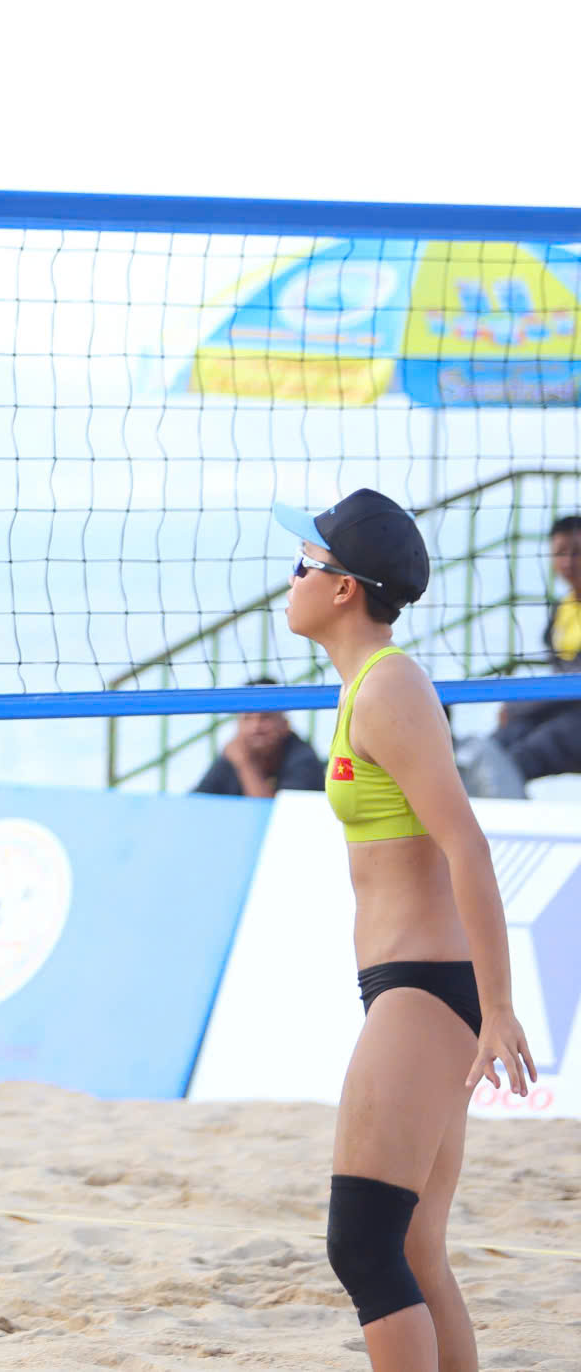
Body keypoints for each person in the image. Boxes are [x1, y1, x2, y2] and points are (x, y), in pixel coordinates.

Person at [273, 490, 534, 1371]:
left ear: (346, 587)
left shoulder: (390, 689)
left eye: (305, 561)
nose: (292, 574)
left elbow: (466, 842)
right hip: (410, 984)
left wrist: (496, 1005)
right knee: (416, 1247)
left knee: (364, 1246)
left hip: (425, 985)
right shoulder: (363, 689)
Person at [454, 512, 581, 799]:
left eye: (577, 552)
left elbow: (570, 682)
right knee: (495, 745)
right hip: (564, 707)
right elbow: (563, 680)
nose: (568, 562)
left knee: (523, 754)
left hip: (573, 714)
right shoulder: (562, 609)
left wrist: (518, 706)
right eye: (560, 553)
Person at [190, 675, 328, 798]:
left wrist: (245, 764)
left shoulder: (303, 758)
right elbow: (196, 804)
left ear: (285, 724)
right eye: (247, 718)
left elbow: (279, 819)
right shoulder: (233, 753)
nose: (256, 726)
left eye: (265, 717)